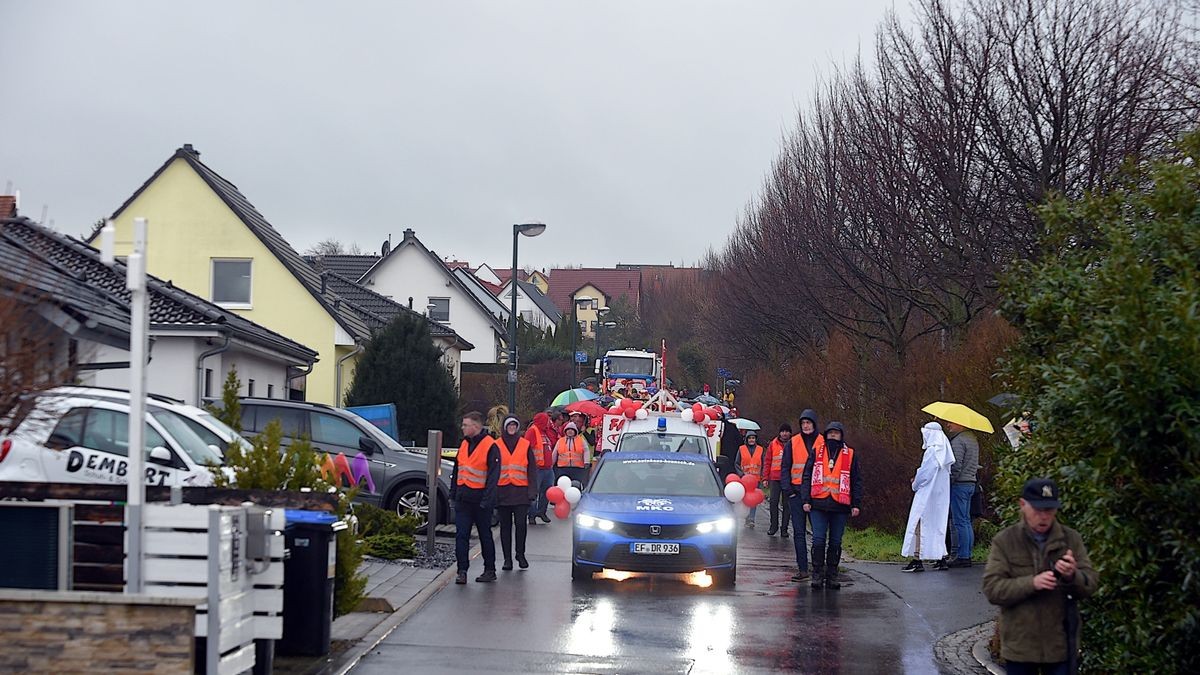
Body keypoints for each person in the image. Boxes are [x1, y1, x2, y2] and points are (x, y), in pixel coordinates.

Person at [982, 478, 1098, 674]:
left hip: (1060, 647)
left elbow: (1091, 584)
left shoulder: (1070, 539)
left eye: (1049, 510)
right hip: (1020, 647)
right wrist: (1032, 583)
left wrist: (1072, 576)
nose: (1043, 516)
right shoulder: (1005, 541)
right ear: (1022, 505)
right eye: (1037, 510)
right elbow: (993, 589)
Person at [802, 421, 862, 589]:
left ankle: (832, 575)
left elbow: (856, 480)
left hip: (840, 506)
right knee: (818, 540)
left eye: (836, 433)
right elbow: (807, 475)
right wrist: (806, 500)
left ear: (841, 435)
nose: (833, 436)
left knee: (835, 542)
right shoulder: (817, 452)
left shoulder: (850, 454)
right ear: (826, 435)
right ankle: (817, 574)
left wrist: (856, 504)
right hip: (818, 504)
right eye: (830, 433)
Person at [451, 411, 500, 584]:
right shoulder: (464, 444)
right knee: (461, 535)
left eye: (465, 425)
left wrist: (487, 501)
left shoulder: (490, 446)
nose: (462, 428)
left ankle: (490, 569)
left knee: (485, 535)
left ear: (476, 426)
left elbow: (493, 476)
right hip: (463, 498)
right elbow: (458, 470)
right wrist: (454, 495)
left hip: (480, 500)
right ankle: (462, 571)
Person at [901, 422, 955, 572]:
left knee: (920, 523)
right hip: (940, 496)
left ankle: (917, 559)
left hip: (927, 494)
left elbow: (925, 474)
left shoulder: (932, 451)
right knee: (938, 525)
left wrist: (915, 482)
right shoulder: (944, 452)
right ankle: (941, 557)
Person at [781, 409, 821, 581]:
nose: (806, 426)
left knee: (818, 534)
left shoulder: (823, 442)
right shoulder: (793, 442)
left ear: (814, 423)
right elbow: (785, 467)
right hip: (796, 494)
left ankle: (819, 568)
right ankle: (803, 569)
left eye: (808, 423)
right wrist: (787, 490)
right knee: (799, 533)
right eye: (803, 423)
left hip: (817, 495)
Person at [495, 416, 538, 570]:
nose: (512, 427)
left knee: (521, 525)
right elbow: (492, 471)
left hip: (521, 492)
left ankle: (520, 554)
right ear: (504, 427)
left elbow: (532, 469)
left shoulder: (525, 445)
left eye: (514, 425)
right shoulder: (497, 445)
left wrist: (532, 491)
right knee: (505, 527)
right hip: (502, 492)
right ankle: (507, 559)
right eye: (509, 425)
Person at [937, 420, 980, 569]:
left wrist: (947, 482)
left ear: (960, 423)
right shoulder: (972, 439)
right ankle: (966, 553)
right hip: (971, 483)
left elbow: (955, 465)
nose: (948, 425)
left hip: (959, 484)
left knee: (959, 521)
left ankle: (962, 556)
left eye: (951, 423)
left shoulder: (959, 441)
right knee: (966, 521)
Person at [526, 412, 555, 524]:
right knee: (534, 493)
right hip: (537, 468)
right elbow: (527, 448)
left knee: (547, 492)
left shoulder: (545, 432)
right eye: (547, 420)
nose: (549, 422)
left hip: (547, 468)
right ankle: (532, 515)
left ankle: (541, 511)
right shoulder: (532, 431)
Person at [765, 423, 793, 538]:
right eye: (783, 431)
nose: (785, 434)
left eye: (787, 431)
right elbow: (767, 461)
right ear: (779, 433)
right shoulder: (773, 444)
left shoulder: (794, 444)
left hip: (788, 479)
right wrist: (765, 478)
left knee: (787, 505)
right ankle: (773, 526)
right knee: (773, 502)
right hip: (775, 478)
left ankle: (784, 529)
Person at [736, 431, 765, 528]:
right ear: (746, 439)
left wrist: (763, 477)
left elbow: (764, 464)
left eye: (753, 438)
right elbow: (737, 463)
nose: (751, 440)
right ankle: (746, 517)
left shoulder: (760, 450)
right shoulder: (741, 449)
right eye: (750, 438)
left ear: (756, 439)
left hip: (756, 479)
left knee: (754, 500)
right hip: (745, 479)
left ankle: (752, 518)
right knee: (745, 500)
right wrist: (741, 474)